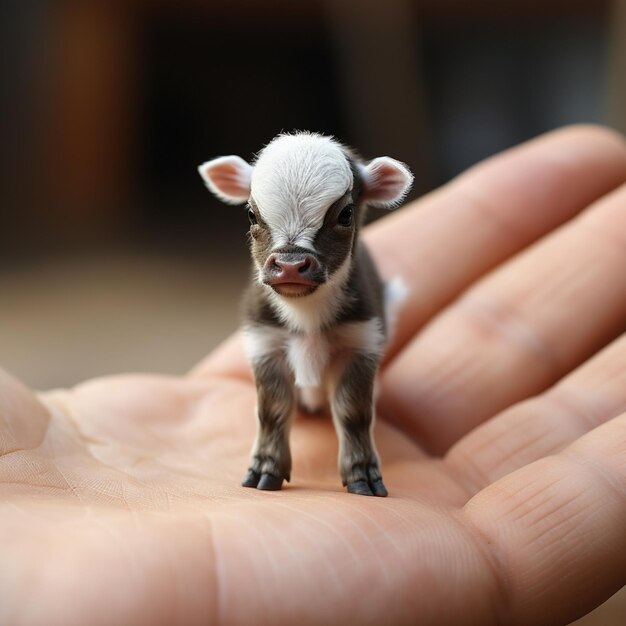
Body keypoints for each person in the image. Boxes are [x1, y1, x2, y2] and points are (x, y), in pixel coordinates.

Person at [1, 125, 624, 625]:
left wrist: (352, 420)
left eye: (339, 220)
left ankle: (360, 460)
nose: (291, 257)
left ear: (373, 197)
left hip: (353, 326)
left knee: (350, 390)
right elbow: (267, 366)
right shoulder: (262, 312)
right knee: (278, 390)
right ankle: (270, 454)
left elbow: (361, 355)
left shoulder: (361, 300)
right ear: (242, 200)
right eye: (260, 225)